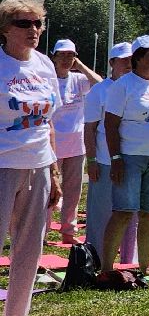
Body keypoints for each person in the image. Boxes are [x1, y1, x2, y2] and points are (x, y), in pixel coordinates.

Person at [0, 0, 61, 316]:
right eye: (24, 23)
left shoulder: (44, 65)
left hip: (38, 165)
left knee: (28, 252)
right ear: (5, 28)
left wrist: (54, 171)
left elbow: (48, 123)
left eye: (38, 23)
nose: (33, 30)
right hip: (3, 164)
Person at [102, 35, 149, 277]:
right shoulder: (123, 86)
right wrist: (116, 159)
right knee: (123, 212)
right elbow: (110, 124)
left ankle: (145, 268)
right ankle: (106, 268)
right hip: (130, 157)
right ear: (137, 58)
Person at [84, 43, 139, 264]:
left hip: (133, 159)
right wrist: (91, 160)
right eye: (123, 60)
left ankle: (129, 260)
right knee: (100, 213)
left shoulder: (138, 87)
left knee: (130, 213)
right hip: (105, 161)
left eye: (131, 60)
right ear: (112, 63)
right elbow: (90, 129)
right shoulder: (98, 91)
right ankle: (94, 258)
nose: (128, 64)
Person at [49, 39, 101, 244]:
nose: (66, 59)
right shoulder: (47, 79)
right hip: (52, 146)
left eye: (70, 55)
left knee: (73, 192)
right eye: (61, 55)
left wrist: (80, 66)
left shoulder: (79, 79)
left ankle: (68, 232)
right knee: (48, 191)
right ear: (54, 57)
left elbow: (100, 84)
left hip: (77, 146)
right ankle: (41, 232)